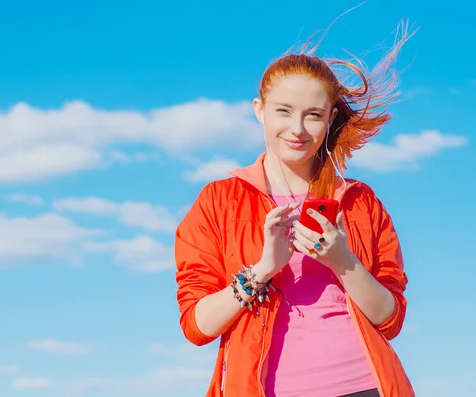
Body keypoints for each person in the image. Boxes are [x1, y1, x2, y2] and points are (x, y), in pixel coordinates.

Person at [174, 22, 416, 397]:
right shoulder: (218, 202)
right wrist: (262, 270)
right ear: (260, 110)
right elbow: (197, 325)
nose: (298, 129)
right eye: (284, 111)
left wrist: (342, 260)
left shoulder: (360, 201)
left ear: (331, 118)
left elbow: (390, 318)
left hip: (364, 386)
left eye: (314, 115)